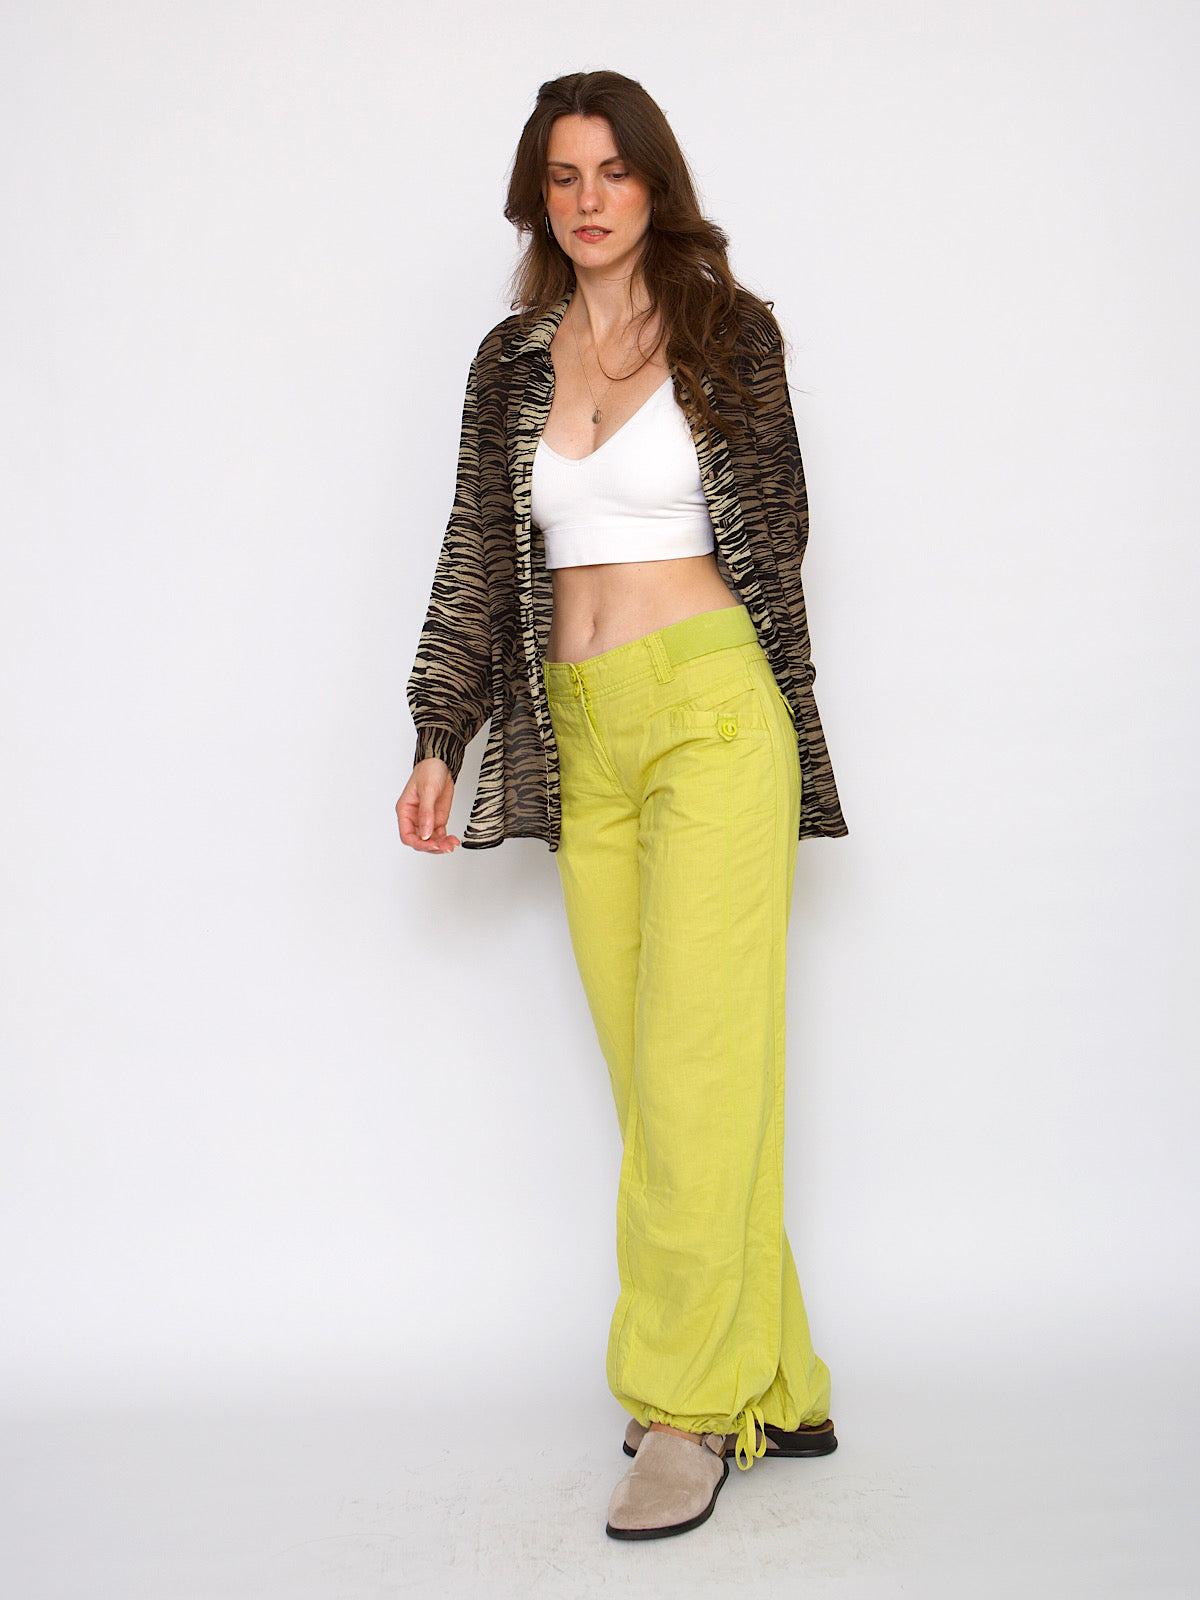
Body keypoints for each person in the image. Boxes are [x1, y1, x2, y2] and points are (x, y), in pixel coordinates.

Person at [396, 69, 848, 1541]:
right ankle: (780, 1375)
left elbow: (779, 532)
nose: (588, 199)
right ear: (539, 197)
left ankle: (684, 1407)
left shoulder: (728, 331)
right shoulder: (510, 361)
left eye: (613, 170)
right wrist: (441, 733)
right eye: (563, 175)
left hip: (712, 715)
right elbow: (479, 548)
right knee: (663, 1083)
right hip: (579, 739)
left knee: (698, 1070)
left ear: (656, 182)